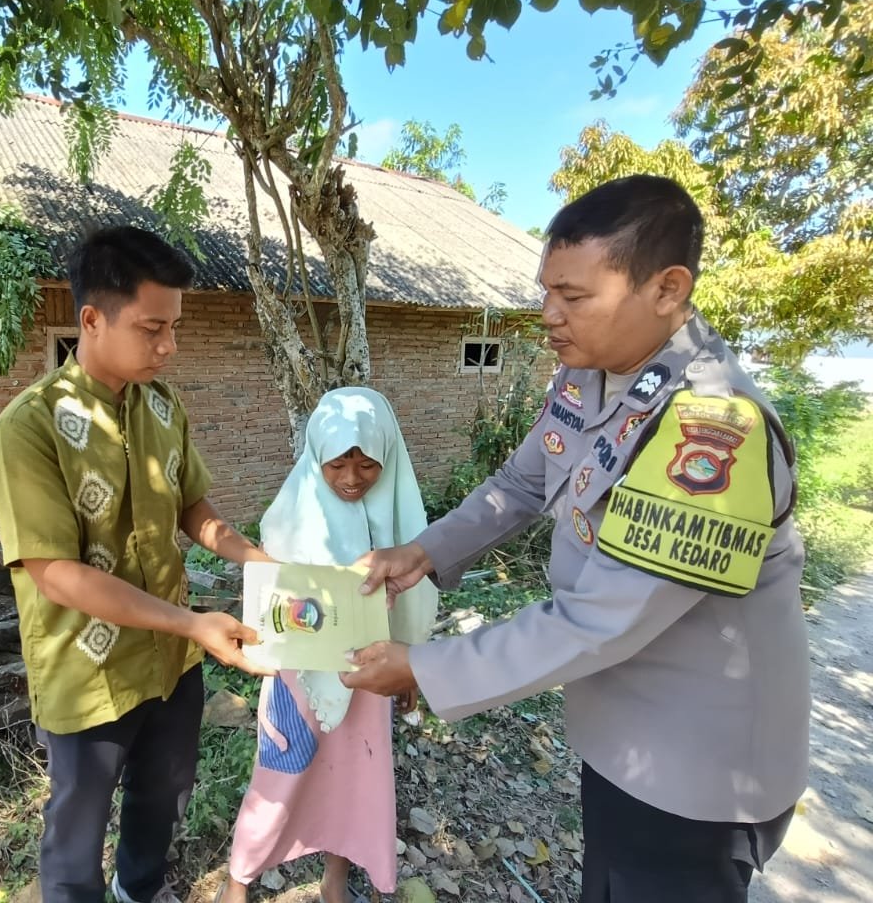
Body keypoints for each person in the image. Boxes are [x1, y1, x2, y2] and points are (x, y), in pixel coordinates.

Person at [343, 176, 809, 903]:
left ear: (666, 287)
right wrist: (426, 550)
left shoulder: (714, 430)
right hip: (622, 741)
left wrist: (426, 669)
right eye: (546, 292)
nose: (549, 315)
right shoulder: (591, 377)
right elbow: (523, 485)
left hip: (694, 772)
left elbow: (601, 617)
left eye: (574, 296)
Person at [0, 225, 274, 903]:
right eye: (152, 329)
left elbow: (192, 510)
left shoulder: (163, 407)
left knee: (165, 796)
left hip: (173, 665)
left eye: (172, 328)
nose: (168, 346)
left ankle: (138, 890)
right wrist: (191, 622)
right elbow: (56, 573)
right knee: (76, 828)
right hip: (88, 673)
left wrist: (255, 557)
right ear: (92, 318)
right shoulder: (27, 429)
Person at [220, 388, 438, 903]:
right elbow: (270, 604)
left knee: (355, 776)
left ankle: (335, 874)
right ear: (316, 457)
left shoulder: (403, 527)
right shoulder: (289, 518)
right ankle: (240, 878)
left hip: (372, 673)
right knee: (280, 773)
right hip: (298, 679)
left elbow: (414, 598)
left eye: (367, 466)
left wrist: (410, 666)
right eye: (337, 463)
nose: (350, 479)